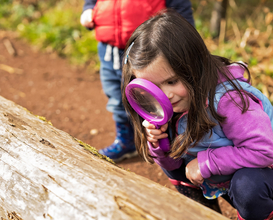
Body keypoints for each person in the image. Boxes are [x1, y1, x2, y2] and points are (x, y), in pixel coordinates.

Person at [122, 10, 273, 220]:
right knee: (176, 161)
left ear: (195, 66)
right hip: (227, 172)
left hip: (270, 169)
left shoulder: (229, 100)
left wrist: (206, 162)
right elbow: (173, 165)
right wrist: (158, 143)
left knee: (247, 186)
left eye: (172, 81)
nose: (165, 95)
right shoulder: (173, 104)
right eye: (152, 87)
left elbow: (262, 151)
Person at [80, 0, 195, 162]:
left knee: (159, 96)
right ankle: (126, 140)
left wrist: (185, 39)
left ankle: (173, 143)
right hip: (108, 48)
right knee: (115, 94)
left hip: (149, 51)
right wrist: (89, 9)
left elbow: (180, 7)